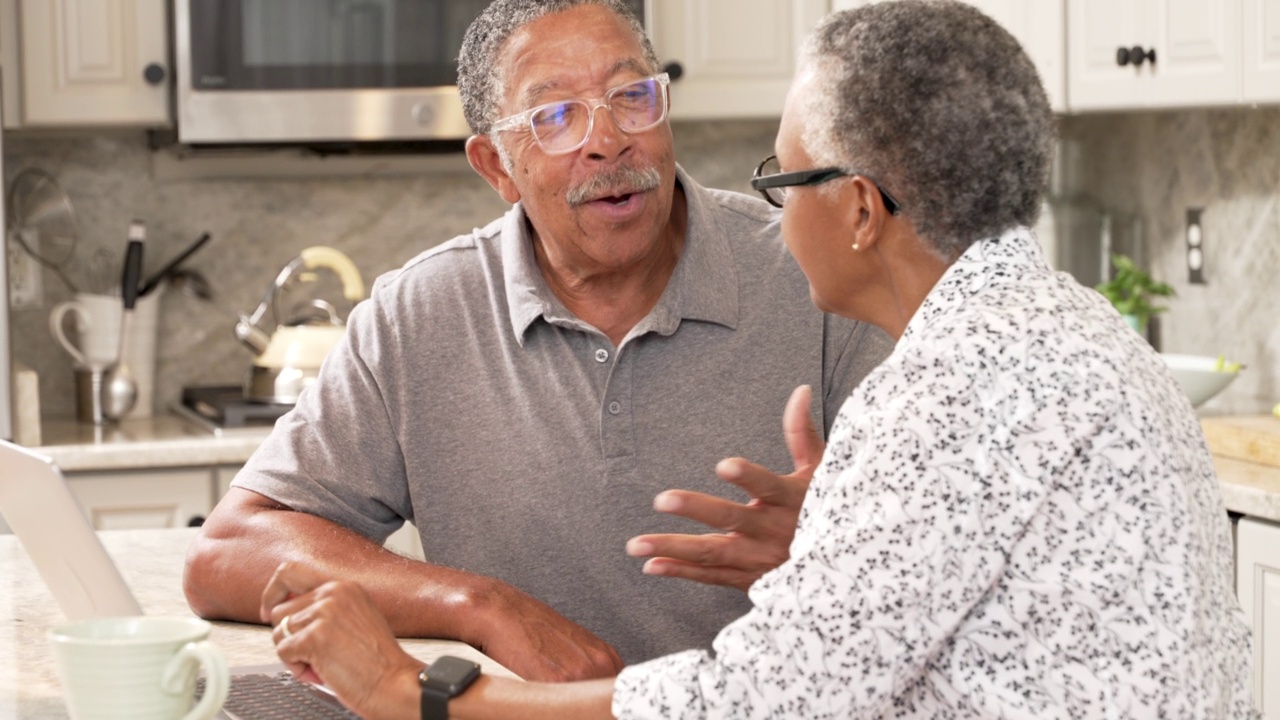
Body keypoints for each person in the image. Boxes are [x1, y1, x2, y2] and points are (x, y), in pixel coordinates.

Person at [255, 1, 1260, 717]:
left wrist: (415, 698)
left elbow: (759, 700)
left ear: (860, 210)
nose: (766, 210)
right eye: (559, 116)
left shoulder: (952, 388)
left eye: (783, 176)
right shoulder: (1066, 330)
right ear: (496, 165)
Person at [182, 0, 892, 683]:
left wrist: (827, 551)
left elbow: (958, 557)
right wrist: (476, 605)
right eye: (556, 117)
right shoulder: (420, 315)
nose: (608, 140)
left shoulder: (819, 275)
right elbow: (228, 552)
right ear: (496, 167)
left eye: (631, 97)